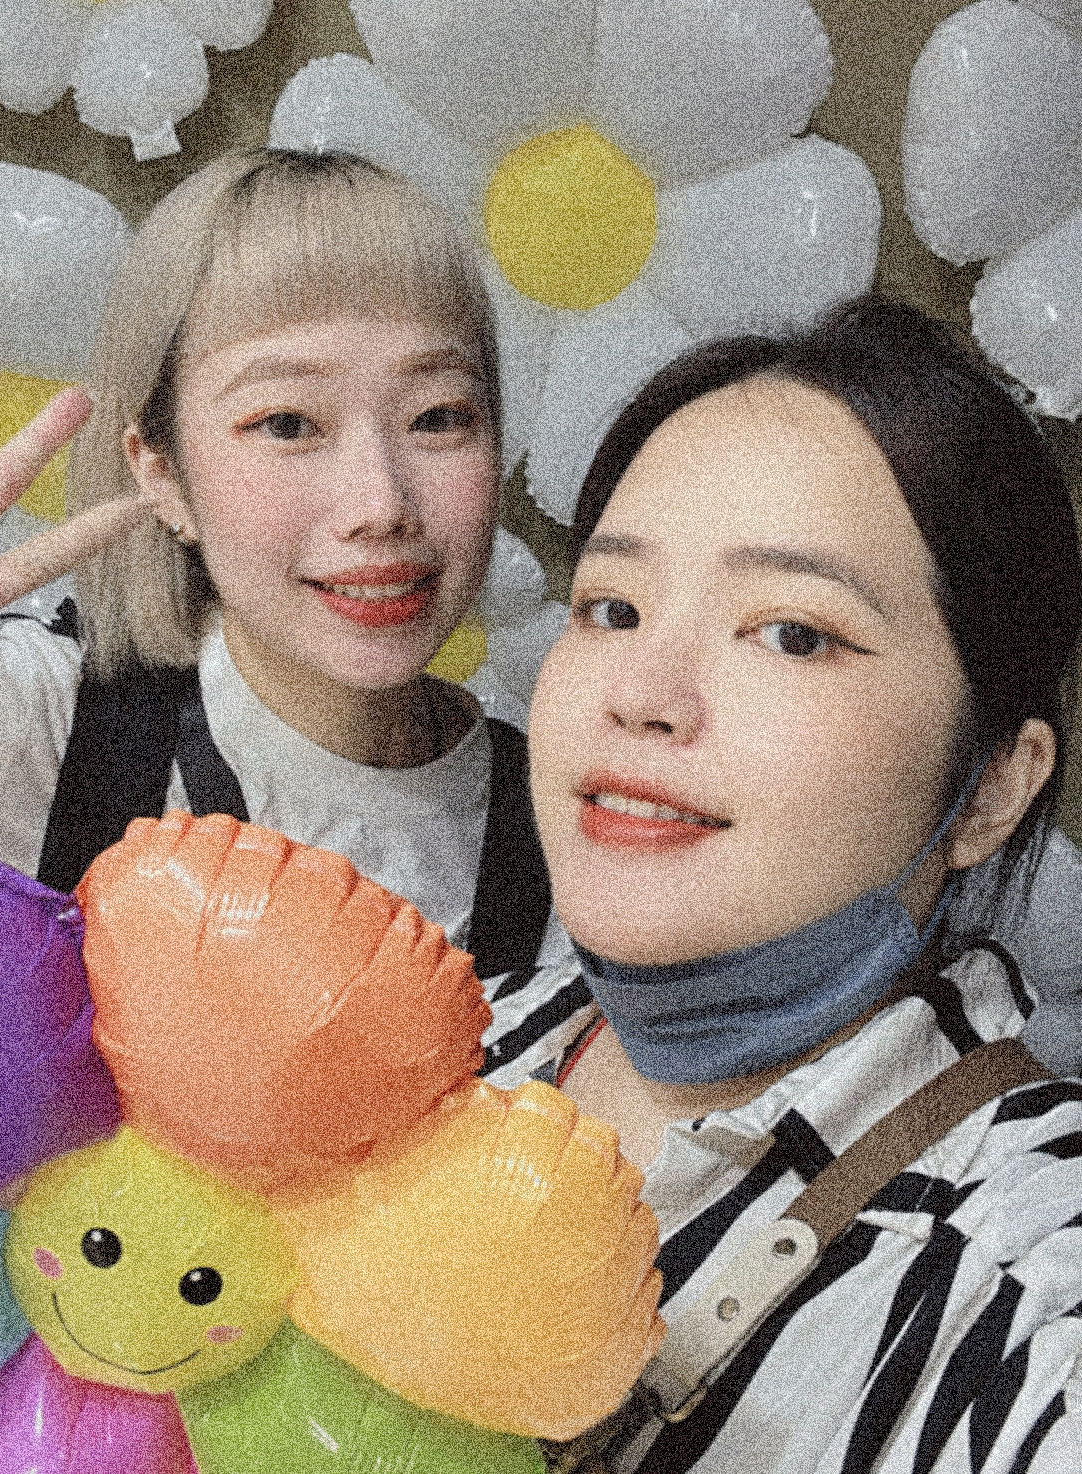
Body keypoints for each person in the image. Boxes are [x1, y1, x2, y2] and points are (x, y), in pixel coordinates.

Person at [496, 299, 1082, 1471]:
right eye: (613, 608)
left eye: (794, 634)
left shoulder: (1028, 1296)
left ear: (989, 789)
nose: (643, 692)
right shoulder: (439, 1047)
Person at [0, 148, 564, 995]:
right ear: (160, 473)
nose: (381, 504)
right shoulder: (26, 723)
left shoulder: (571, 831)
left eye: (438, 417)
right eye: (286, 423)